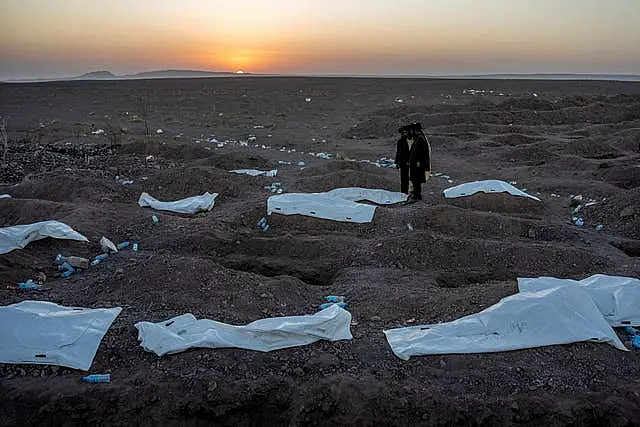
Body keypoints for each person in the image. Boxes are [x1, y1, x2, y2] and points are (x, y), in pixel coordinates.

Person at [406, 122, 431, 202]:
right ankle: (415, 194)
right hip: (415, 163)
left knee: (416, 180)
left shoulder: (420, 139)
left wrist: (418, 161)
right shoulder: (418, 138)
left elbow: (421, 152)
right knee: (414, 180)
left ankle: (417, 196)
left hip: (418, 164)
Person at [394, 125, 411, 195]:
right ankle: (404, 193)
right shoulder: (400, 141)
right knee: (403, 179)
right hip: (402, 162)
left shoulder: (411, 141)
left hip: (410, 162)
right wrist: (397, 163)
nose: (403, 134)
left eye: (405, 132)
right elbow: (398, 152)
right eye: (402, 133)